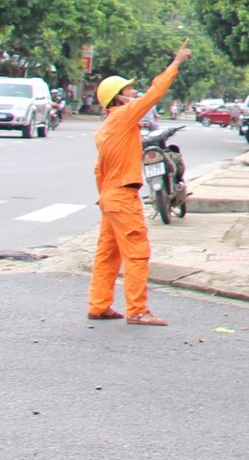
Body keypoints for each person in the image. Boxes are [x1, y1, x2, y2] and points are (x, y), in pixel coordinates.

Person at [87, 43, 191, 325]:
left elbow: (99, 170)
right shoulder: (123, 116)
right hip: (122, 196)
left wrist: (106, 198)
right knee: (137, 253)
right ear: (117, 99)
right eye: (129, 91)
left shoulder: (107, 128)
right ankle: (138, 310)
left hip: (109, 197)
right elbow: (156, 93)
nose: (134, 94)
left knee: (108, 254)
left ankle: (99, 304)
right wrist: (176, 62)